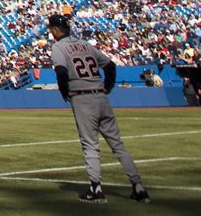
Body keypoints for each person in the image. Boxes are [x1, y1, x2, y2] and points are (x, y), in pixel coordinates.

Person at [47, 13, 149, 203]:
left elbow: (61, 71)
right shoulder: (86, 44)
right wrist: (107, 86)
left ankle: (96, 189)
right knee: (118, 144)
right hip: (100, 95)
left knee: (90, 144)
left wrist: (64, 91)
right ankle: (138, 187)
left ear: (54, 30)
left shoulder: (58, 47)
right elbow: (110, 66)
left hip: (82, 98)